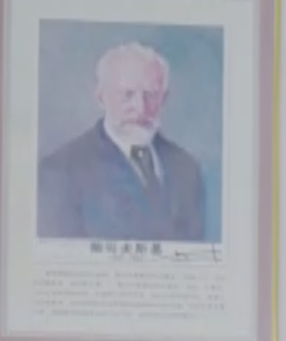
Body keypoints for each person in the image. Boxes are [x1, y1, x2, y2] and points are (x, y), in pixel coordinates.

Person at [38, 41, 211, 243]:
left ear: (164, 99)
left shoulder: (187, 170)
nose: (140, 108)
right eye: (127, 95)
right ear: (101, 97)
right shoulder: (60, 172)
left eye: (150, 95)